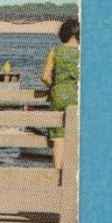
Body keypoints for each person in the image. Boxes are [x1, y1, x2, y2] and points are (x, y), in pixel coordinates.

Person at [42, 19, 80, 168]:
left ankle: (58, 175)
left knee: (58, 135)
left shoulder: (55, 51)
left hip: (59, 95)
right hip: (78, 95)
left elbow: (45, 77)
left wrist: (55, 86)